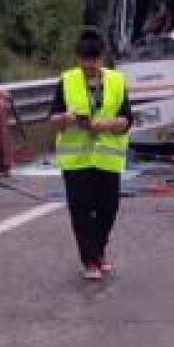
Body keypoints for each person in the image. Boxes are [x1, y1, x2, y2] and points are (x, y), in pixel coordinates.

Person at [52, 30, 133, 283]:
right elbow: (53, 118)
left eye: (94, 59)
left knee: (109, 208)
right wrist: (65, 119)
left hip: (108, 157)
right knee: (81, 210)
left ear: (102, 57)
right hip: (76, 160)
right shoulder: (67, 81)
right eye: (85, 60)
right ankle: (90, 260)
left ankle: (98, 250)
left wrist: (108, 125)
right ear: (78, 58)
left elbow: (127, 119)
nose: (89, 65)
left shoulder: (118, 81)